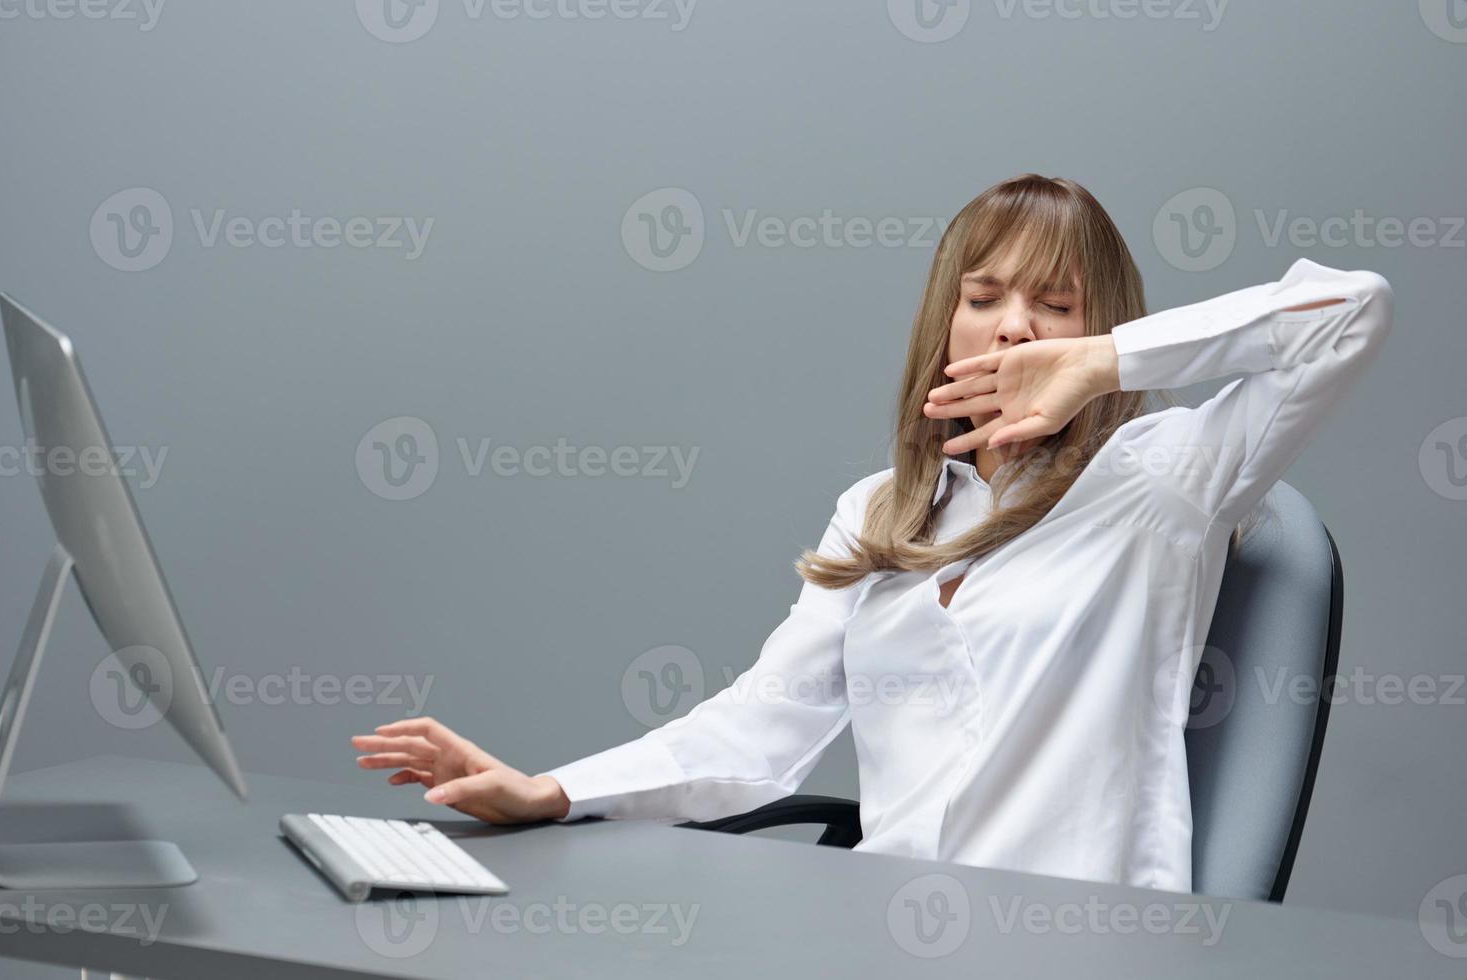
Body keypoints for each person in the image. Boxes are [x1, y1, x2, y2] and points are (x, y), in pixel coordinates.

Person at [351, 173, 1394, 892]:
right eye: (983, 297)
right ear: (948, 322)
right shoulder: (884, 510)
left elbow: (1352, 311)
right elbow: (759, 728)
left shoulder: (1167, 478)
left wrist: (1113, 361)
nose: (1015, 325)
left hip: (1077, 942)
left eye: (1054, 304)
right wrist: (552, 790)